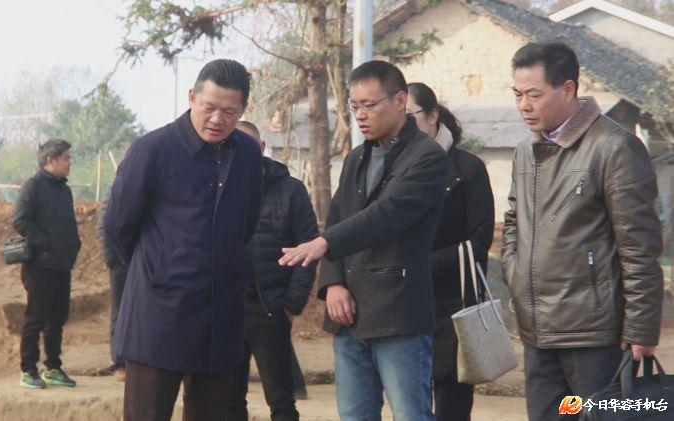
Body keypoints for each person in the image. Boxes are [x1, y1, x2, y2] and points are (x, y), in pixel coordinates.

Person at [502, 42, 663, 421]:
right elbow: (513, 220)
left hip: (595, 337)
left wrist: (641, 326)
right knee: (554, 415)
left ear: (568, 89)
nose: (524, 105)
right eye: (517, 94)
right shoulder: (526, 151)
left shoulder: (614, 147)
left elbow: (639, 245)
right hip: (539, 332)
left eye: (534, 95)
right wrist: (513, 268)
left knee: (597, 416)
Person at [279, 60, 449, 421]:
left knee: (411, 414)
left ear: (400, 100)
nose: (360, 115)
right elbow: (337, 218)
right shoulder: (357, 157)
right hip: (349, 314)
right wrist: (333, 283)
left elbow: (388, 213)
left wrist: (325, 243)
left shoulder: (427, 157)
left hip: (398, 314)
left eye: (369, 105)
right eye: (354, 106)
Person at [103, 59, 263, 421]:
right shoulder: (153, 149)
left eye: (229, 112)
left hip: (220, 314)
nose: (217, 119)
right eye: (209, 107)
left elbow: (247, 222)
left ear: (243, 110)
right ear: (192, 97)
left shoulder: (248, 154)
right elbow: (118, 226)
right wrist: (158, 267)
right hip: (159, 313)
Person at [406, 82, 495, 421]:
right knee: (409, 404)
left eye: (410, 116)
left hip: (454, 306)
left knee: (451, 404)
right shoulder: (395, 168)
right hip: (405, 303)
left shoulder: (468, 169)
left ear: (433, 116)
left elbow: (479, 242)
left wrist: (418, 265)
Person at [226, 121, 319, 421]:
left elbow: (308, 249)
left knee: (281, 400)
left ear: (262, 148)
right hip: (227, 308)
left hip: (270, 308)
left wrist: (291, 305)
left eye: (248, 147)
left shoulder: (291, 190)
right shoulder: (219, 188)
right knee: (229, 401)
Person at [11, 138, 81, 389]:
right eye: (66, 158)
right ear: (50, 160)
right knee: (35, 319)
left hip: (62, 265)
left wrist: (74, 245)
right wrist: (44, 243)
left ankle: (53, 367)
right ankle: (28, 370)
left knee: (57, 320)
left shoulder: (64, 190)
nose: (70, 163)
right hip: (39, 267)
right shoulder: (33, 187)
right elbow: (20, 220)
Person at [96, 187, 128, 380]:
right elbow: (103, 225)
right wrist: (112, 259)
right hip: (120, 265)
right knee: (120, 312)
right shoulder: (117, 188)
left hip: (140, 264)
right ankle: (119, 363)